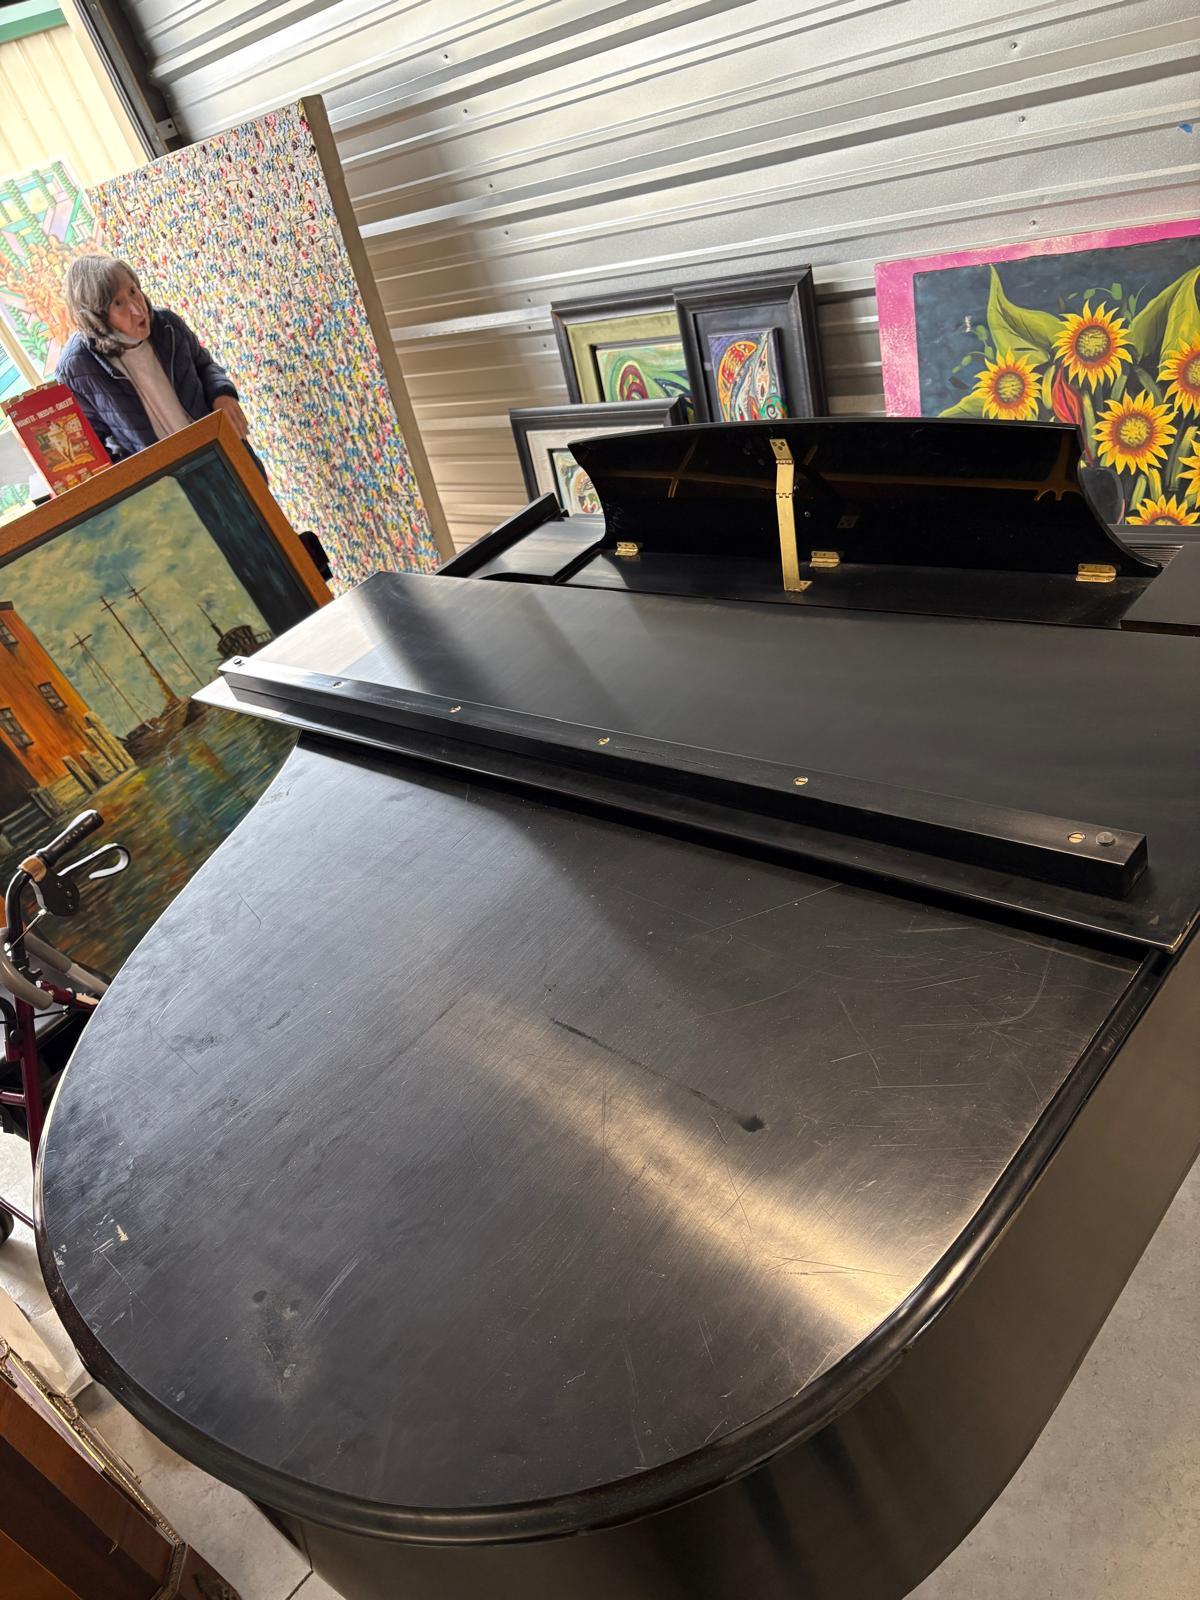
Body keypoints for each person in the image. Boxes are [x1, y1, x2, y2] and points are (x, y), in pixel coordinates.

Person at [56, 255, 255, 466]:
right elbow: (93, 449)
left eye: (133, 291)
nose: (137, 309)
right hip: (166, 480)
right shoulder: (77, 368)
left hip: (221, 449)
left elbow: (204, 366)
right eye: (118, 303)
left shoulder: (167, 325)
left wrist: (222, 395)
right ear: (97, 317)